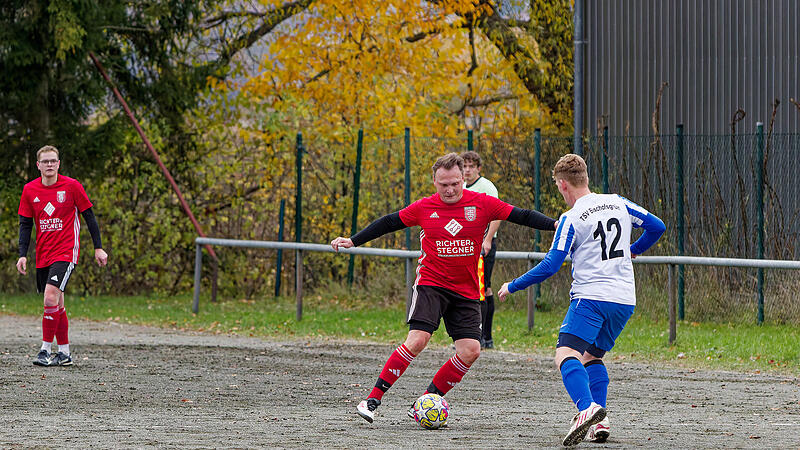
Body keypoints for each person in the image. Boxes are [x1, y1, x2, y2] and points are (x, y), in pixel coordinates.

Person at [330, 152, 558, 424]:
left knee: (471, 350)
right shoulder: (424, 207)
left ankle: (426, 401)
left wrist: (555, 224)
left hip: (466, 290)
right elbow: (389, 222)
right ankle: (372, 400)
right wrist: (353, 240)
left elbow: (522, 215)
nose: (449, 190)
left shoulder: (482, 203)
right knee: (418, 340)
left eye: (455, 183)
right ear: (434, 182)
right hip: (432, 284)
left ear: (464, 179)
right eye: (443, 184)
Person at [498, 154, 665, 446]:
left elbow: (551, 265)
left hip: (591, 297)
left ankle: (586, 409)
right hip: (624, 299)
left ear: (563, 185)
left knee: (566, 354)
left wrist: (513, 285)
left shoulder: (571, 218)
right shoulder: (618, 202)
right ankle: (599, 422)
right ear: (585, 178)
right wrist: (634, 249)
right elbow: (657, 226)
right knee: (592, 357)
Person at [17, 145, 109, 367]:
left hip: (66, 251)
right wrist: (22, 255)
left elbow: (89, 216)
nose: (49, 164)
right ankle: (65, 353)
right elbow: (25, 224)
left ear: (58, 164)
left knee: (50, 297)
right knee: (56, 303)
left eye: (53, 161)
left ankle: (45, 350)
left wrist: (98, 247)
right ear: (38, 165)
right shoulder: (29, 190)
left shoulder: (72, 186)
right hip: (44, 254)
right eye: (45, 161)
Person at [460, 150, 500, 349]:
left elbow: (497, 214)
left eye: (471, 166)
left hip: (483, 246)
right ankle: (482, 337)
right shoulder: (460, 186)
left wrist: (488, 239)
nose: (467, 170)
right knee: (476, 288)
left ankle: (482, 336)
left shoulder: (486, 187)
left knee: (482, 288)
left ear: (478, 168)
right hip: (466, 245)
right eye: (464, 166)